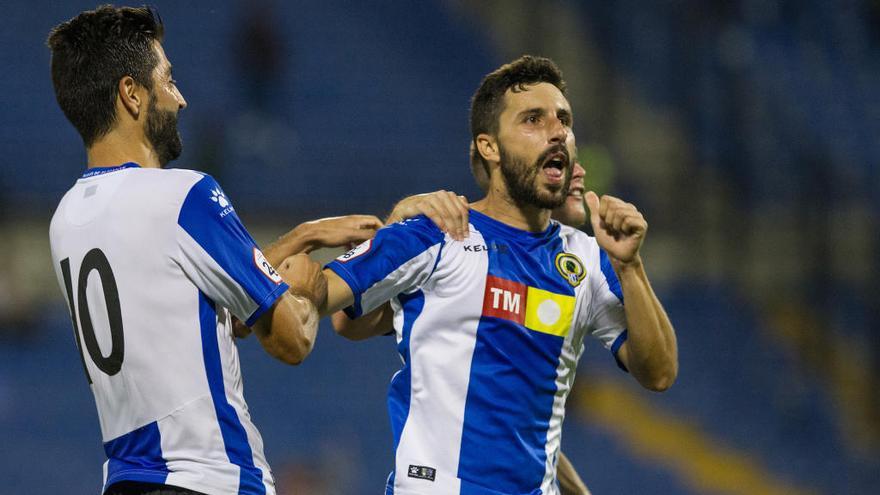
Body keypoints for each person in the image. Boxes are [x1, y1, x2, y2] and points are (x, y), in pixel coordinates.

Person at [46, 6, 380, 495]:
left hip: (126, 481)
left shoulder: (66, 219)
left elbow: (202, 302)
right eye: (168, 79)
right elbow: (291, 339)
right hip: (211, 479)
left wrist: (300, 235)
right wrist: (306, 279)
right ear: (131, 94)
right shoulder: (184, 195)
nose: (180, 99)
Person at [318, 55, 678, 494]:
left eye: (564, 119)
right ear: (489, 147)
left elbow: (658, 373)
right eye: (533, 119)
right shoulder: (438, 231)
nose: (557, 131)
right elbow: (337, 313)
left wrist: (629, 265)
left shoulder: (586, 258)